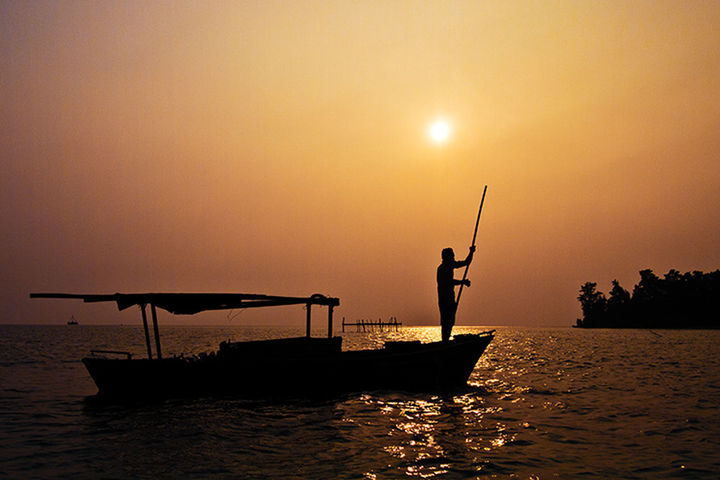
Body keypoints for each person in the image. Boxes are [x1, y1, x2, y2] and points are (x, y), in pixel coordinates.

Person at [437, 246, 475, 341]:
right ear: (447, 257)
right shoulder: (442, 269)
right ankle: (444, 340)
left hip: (450, 298)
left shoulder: (450, 266)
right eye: (452, 256)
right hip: (445, 299)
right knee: (446, 321)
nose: (454, 257)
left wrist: (471, 252)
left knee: (450, 321)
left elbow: (466, 263)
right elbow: (448, 281)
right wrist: (463, 282)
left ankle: (446, 339)